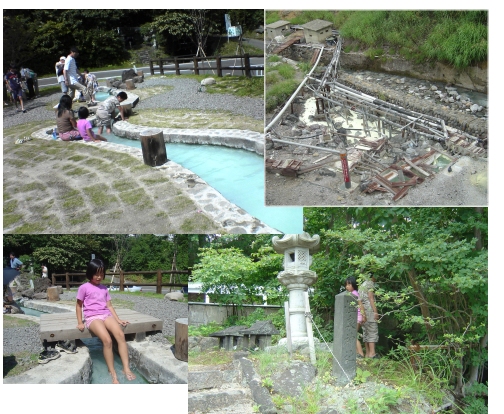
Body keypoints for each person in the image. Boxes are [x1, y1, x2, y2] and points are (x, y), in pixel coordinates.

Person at [76, 259, 136, 383]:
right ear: (90, 273)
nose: (99, 277)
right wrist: (80, 322)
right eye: (96, 274)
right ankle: (112, 372)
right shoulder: (84, 287)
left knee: (120, 335)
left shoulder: (104, 288)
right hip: (92, 317)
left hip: (105, 315)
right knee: (107, 340)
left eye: (101, 274)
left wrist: (118, 319)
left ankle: (126, 368)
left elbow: (109, 306)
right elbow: (78, 306)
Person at [358, 275, 379, 358]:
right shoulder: (370, 284)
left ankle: (367, 353)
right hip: (369, 309)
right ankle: (372, 354)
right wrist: (375, 312)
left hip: (363, 310)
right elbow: (371, 298)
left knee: (366, 331)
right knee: (372, 330)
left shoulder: (361, 285)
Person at [345, 276, 366, 358]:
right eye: (346, 285)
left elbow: (361, 305)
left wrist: (364, 316)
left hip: (357, 317)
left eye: (349, 284)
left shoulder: (354, 294)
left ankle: (360, 354)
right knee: (353, 335)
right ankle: (357, 354)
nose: (347, 286)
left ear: (353, 284)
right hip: (356, 317)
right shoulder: (353, 294)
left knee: (353, 335)